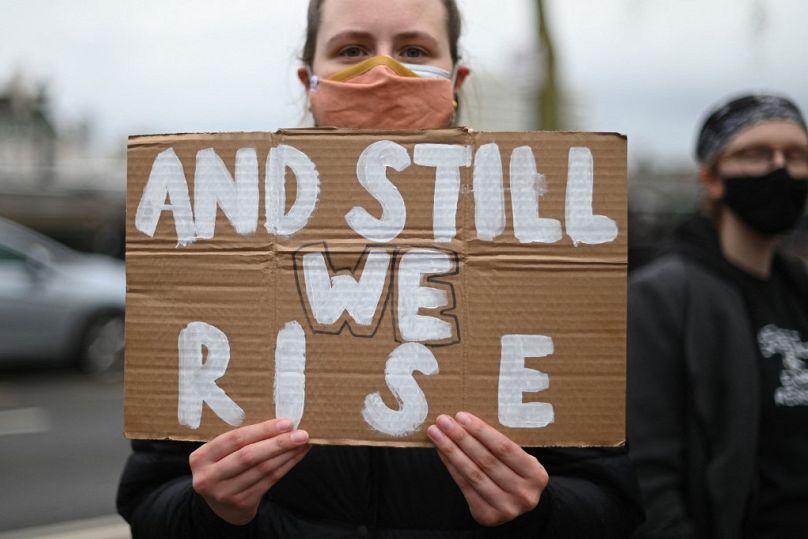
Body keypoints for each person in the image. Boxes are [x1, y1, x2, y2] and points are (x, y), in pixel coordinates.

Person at [117, 1, 643, 536]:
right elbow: (149, 500)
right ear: (309, 79)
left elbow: (613, 502)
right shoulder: (219, 240)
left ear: (455, 77)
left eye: (414, 50)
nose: (383, 70)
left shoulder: (545, 252)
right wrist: (213, 512)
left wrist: (538, 512)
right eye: (352, 50)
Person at [627, 93, 808, 538]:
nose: (780, 168)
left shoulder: (799, 288)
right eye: (756, 153)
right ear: (711, 177)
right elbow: (647, 476)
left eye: (797, 154)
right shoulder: (662, 296)